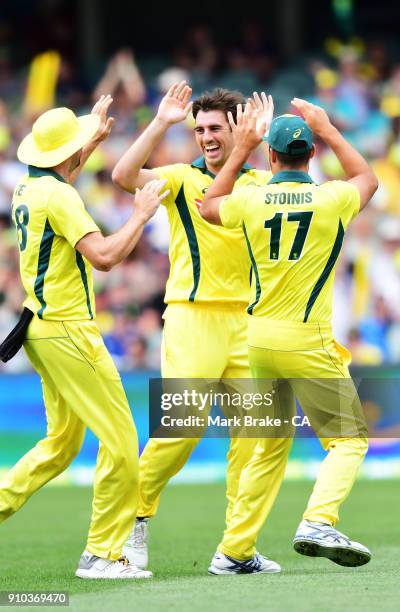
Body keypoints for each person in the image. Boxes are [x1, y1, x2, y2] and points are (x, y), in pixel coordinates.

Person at [113, 83, 286, 574]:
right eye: (199, 129)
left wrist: (267, 142)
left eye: (215, 128)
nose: (205, 137)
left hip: (249, 322)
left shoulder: (259, 183)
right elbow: (124, 175)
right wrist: (161, 122)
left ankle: (236, 548)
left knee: (256, 435)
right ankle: (133, 522)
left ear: (238, 127)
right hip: (192, 316)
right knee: (180, 431)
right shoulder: (177, 177)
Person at [200, 98, 378, 572]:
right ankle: (319, 519)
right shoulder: (332, 198)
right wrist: (330, 128)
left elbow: (209, 207)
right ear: (312, 154)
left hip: (258, 340)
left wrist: (240, 150)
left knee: (270, 442)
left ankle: (234, 551)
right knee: (349, 440)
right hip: (308, 338)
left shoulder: (251, 199)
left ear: (271, 158)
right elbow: (369, 180)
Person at [0, 100, 168, 579]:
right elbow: (105, 257)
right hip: (70, 330)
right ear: (66, 154)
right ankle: (101, 553)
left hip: (38, 329)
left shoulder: (26, 187)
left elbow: (58, 189)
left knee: (60, 444)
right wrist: (139, 215)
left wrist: (87, 143)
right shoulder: (60, 196)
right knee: (121, 442)